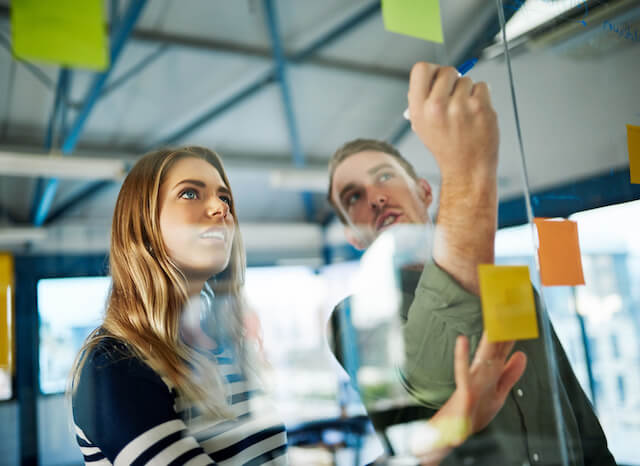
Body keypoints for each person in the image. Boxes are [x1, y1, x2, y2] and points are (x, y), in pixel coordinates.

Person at [326, 62, 615, 465]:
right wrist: (467, 167)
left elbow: (573, 409)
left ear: (425, 193)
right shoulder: (353, 319)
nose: (375, 198)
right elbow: (432, 376)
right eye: (353, 197)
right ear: (353, 236)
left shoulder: (512, 289)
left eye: (385, 177)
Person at [68, 147, 288, 465]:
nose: (220, 208)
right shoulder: (115, 363)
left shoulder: (224, 349)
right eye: (190, 193)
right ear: (144, 226)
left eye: (224, 198)